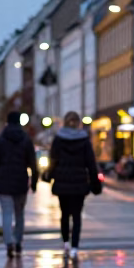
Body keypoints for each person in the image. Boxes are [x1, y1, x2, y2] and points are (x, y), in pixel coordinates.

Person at [47, 111, 99, 259]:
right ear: (78, 123)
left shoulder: (58, 139)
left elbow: (53, 160)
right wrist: (95, 183)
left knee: (64, 214)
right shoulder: (84, 140)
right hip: (79, 183)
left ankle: (66, 242)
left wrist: (49, 176)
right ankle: (75, 246)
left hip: (62, 182)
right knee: (77, 216)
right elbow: (91, 163)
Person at [0, 111, 38, 258]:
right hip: (21, 182)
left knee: (6, 214)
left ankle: (8, 242)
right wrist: (34, 182)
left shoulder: (0, 140)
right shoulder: (26, 140)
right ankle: (18, 241)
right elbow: (33, 163)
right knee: (19, 214)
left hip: (4, 182)